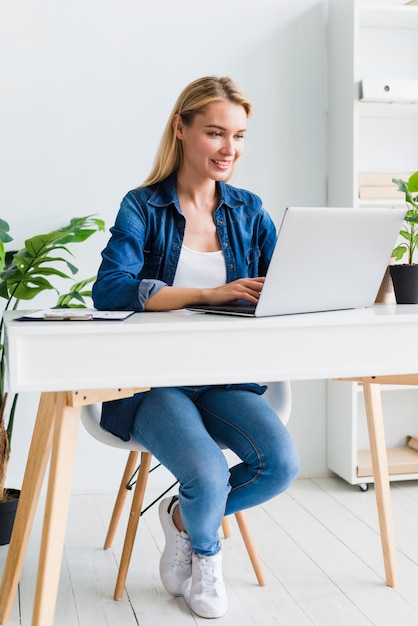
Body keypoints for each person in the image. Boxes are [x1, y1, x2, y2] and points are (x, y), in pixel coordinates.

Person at [92, 75, 299, 619]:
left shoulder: (249, 209)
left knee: (279, 464)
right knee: (207, 474)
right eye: (215, 133)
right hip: (153, 379)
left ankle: (184, 521)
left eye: (240, 135)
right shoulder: (143, 206)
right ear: (181, 130)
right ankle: (208, 556)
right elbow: (110, 290)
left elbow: (285, 286)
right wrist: (210, 293)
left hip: (225, 376)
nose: (230, 149)